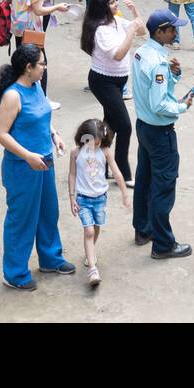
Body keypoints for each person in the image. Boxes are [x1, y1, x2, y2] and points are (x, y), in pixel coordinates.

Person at [0, 44, 74, 290]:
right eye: (41, 64)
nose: (44, 68)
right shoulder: (13, 96)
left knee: (48, 212)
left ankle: (51, 258)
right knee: (22, 219)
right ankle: (15, 273)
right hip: (22, 167)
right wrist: (28, 155)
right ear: (28, 68)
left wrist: (54, 134)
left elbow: (43, 115)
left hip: (44, 161)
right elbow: (0, 133)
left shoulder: (37, 86)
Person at [130, 10, 194, 259]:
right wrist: (182, 106)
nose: (176, 32)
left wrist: (175, 74)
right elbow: (160, 104)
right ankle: (163, 244)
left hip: (144, 125)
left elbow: (152, 88)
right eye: (172, 29)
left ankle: (143, 229)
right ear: (160, 32)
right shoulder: (157, 61)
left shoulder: (143, 53)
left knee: (145, 178)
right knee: (164, 185)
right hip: (159, 131)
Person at [81, 0, 146, 185]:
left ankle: (99, 163)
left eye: (116, 1)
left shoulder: (116, 21)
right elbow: (118, 55)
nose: (116, 5)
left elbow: (141, 31)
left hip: (118, 81)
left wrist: (134, 12)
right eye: (111, 3)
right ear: (102, 7)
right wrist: (131, 32)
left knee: (109, 125)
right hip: (103, 81)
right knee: (124, 125)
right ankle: (122, 172)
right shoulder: (101, 30)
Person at [68, 117, 130, 288]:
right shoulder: (76, 152)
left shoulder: (105, 151)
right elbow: (72, 174)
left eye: (97, 143)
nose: (94, 147)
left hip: (100, 198)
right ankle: (93, 269)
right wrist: (72, 197)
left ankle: (90, 252)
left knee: (96, 228)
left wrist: (125, 193)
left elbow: (117, 173)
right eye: (90, 143)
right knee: (88, 231)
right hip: (83, 199)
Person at [8, 0, 71, 108]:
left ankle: (23, 97)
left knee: (23, 63)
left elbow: (10, 0)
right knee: (40, 62)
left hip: (18, 27)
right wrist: (57, 7)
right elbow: (39, 11)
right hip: (32, 30)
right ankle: (42, 99)